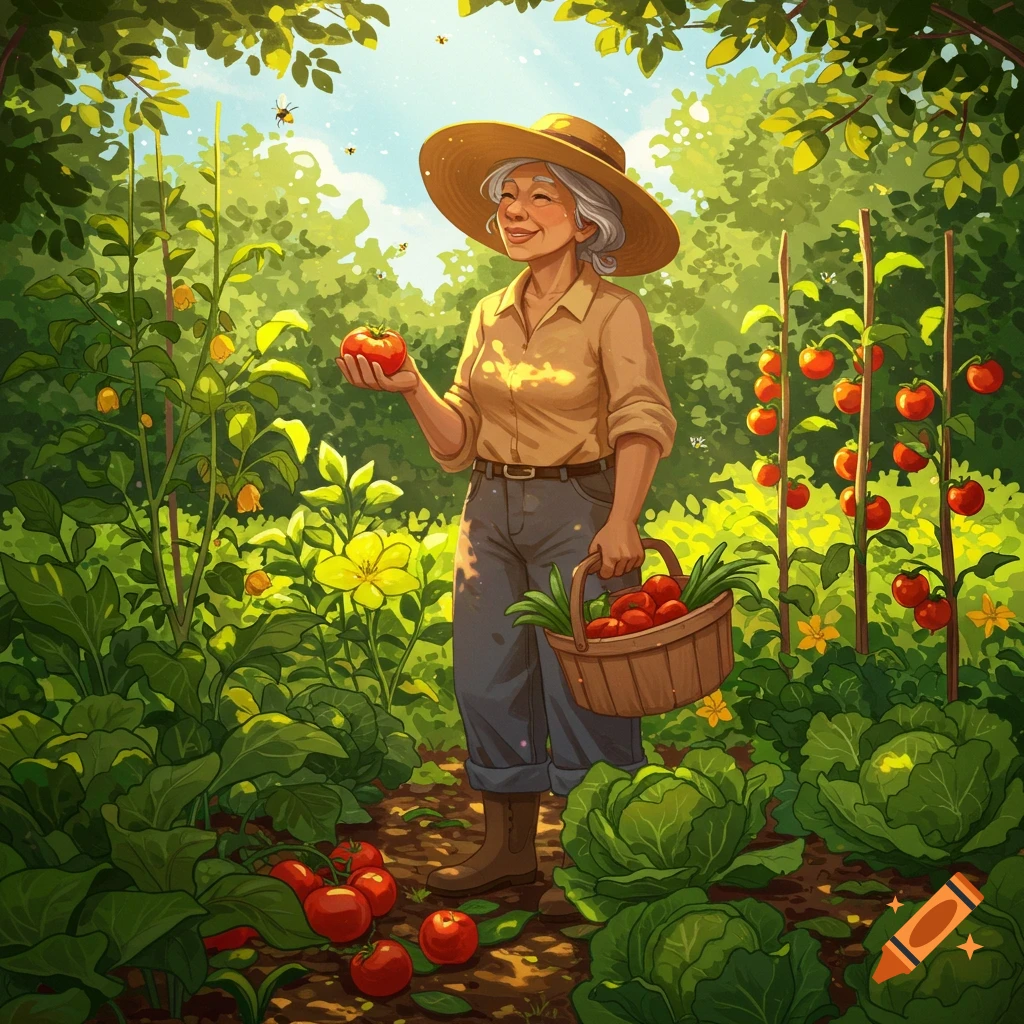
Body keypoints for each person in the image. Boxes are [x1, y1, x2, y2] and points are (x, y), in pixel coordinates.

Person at [337, 113, 678, 919]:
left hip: (579, 506)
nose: (514, 212)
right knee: (488, 675)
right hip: (489, 507)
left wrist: (623, 518)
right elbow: (459, 443)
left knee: (587, 682)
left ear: (587, 217)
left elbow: (641, 418)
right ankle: (508, 847)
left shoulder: (613, 314)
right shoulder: (489, 312)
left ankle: (598, 851)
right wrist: (413, 387)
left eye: (539, 195)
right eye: (507, 198)